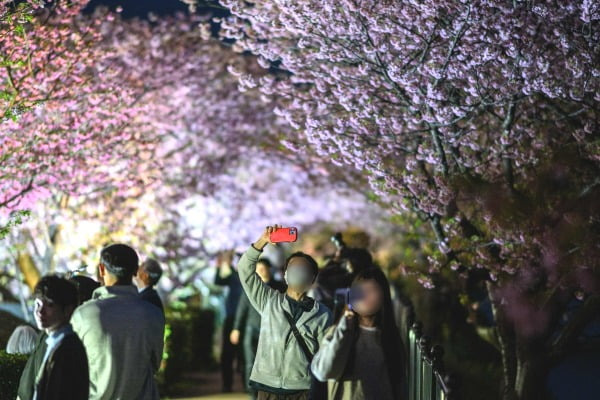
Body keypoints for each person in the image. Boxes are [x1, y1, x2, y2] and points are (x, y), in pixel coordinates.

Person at [238, 225, 332, 400]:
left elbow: (325, 357)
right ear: (285, 274)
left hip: (303, 390)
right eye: (293, 267)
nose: (297, 271)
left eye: (303, 268)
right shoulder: (268, 301)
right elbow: (245, 270)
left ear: (312, 278)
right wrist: (262, 241)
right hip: (268, 389)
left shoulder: (323, 314)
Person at [71, 243, 165, 400]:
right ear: (136, 271)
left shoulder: (83, 314)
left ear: (101, 270)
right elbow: (154, 363)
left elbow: (71, 366)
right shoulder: (153, 314)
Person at [311, 268, 407, 400]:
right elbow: (323, 372)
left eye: (372, 289)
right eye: (360, 291)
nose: (365, 295)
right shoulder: (338, 332)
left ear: (384, 295)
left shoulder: (390, 338)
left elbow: (399, 387)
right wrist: (344, 328)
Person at [20, 275, 89, 400]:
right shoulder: (54, 343)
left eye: (49, 305)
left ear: (68, 310)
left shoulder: (67, 349)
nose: (40, 311)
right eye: (38, 304)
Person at [230, 258, 286, 399]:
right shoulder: (250, 288)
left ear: (269, 269)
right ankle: (252, 393)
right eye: (258, 269)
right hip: (252, 329)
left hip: (272, 330)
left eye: (263, 269)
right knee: (250, 362)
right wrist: (236, 328)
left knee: (272, 363)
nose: (261, 271)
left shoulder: (279, 287)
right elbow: (241, 309)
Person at [214, 249, 244, 392]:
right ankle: (228, 384)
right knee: (228, 354)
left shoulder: (246, 277)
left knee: (243, 354)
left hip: (244, 319)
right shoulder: (234, 276)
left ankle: (245, 384)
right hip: (232, 317)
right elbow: (219, 280)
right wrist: (222, 264)